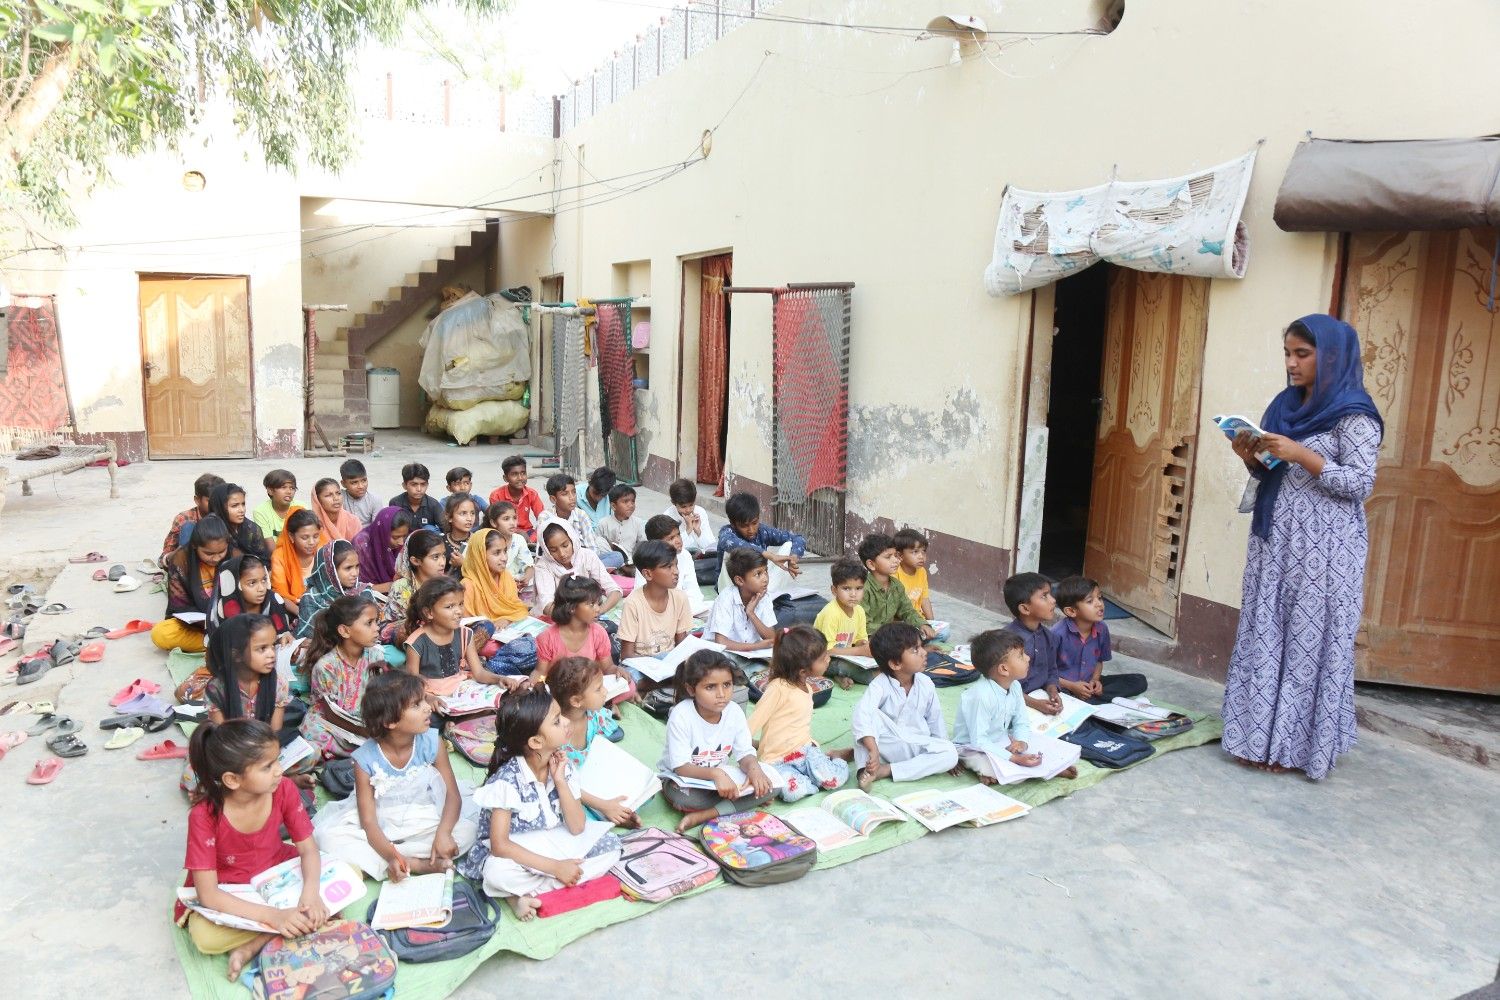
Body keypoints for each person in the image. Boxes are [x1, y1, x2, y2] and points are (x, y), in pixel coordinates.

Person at [1222, 314, 1383, 779]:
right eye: (1287, 354)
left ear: (1331, 356)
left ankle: (1294, 749)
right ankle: (1255, 740)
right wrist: (1252, 457)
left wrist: (1302, 455)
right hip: (1276, 543)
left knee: (1308, 641)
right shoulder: (1285, 405)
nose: (1291, 364)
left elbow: (1359, 483)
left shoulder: (1354, 414)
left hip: (1326, 552)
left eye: (1302, 354)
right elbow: (1274, 472)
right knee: (1268, 632)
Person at [175, 719, 326, 981]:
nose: (279, 771)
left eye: (277, 761)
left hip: (275, 870)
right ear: (232, 779)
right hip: (230, 886)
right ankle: (283, 926)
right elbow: (209, 895)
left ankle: (254, 944)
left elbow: (309, 850)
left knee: (346, 875)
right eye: (268, 766)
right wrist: (274, 916)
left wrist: (311, 894)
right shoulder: (204, 816)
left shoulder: (284, 788)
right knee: (205, 937)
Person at [457, 685, 623, 920]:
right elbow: (500, 846)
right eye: (557, 721)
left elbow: (577, 827)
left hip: (553, 843)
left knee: (612, 846)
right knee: (496, 872)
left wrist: (561, 782)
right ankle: (551, 883)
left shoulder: (561, 764)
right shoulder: (507, 781)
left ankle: (523, 893)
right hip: (519, 854)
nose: (566, 722)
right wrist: (555, 867)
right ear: (536, 742)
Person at [314, 671, 479, 880]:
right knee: (327, 838)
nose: (428, 707)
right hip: (381, 821)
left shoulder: (432, 742)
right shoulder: (365, 760)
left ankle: (387, 864)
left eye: (424, 700)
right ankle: (413, 863)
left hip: (424, 814)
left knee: (469, 831)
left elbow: (453, 796)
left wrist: (444, 834)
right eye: (416, 705)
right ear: (390, 721)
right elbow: (369, 822)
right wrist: (392, 855)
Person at [658, 649, 774, 831]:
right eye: (710, 687)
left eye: (727, 685)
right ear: (691, 689)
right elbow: (681, 767)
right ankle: (732, 804)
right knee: (687, 799)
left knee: (772, 785)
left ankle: (704, 815)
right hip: (685, 779)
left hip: (720, 780)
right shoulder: (681, 715)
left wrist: (755, 770)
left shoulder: (734, 711)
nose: (721, 694)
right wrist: (716, 775)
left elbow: (745, 753)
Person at [954, 630, 1076, 783]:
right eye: (1021, 655)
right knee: (983, 761)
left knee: (1038, 744)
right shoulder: (981, 696)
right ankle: (1043, 771)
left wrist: (1021, 742)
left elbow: (1021, 721)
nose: (1028, 658)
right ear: (1004, 669)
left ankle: (1045, 768)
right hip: (972, 746)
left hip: (1000, 738)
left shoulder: (1015, 686)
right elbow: (979, 741)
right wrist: (1013, 758)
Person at [746, 625, 851, 801]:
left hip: (806, 751)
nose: (828, 659)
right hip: (777, 760)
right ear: (803, 670)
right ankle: (808, 780)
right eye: (823, 658)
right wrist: (750, 756)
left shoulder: (807, 687)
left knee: (833, 779)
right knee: (792, 792)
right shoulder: (778, 688)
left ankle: (836, 758)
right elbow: (751, 725)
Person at [176, 555, 294, 704]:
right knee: (185, 692)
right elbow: (218, 654)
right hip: (231, 667)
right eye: (252, 583)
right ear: (234, 584)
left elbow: (282, 633)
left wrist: (285, 637)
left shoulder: (273, 600)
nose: (261, 588)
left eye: (264, 580)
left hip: (268, 661)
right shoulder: (223, 609)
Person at [852, 623, 957, 789]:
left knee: (950, 753)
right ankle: (864, 769)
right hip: (885, 746)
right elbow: (863, 716)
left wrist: (943, 751)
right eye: (915, 650)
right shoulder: (879, 685)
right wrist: (873, 749)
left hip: (915, 745)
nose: (924, 652)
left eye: (921, 647)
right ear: (895, 664)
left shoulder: (926, 684)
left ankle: (886, 770)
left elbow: (935, 722)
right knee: (863, 714)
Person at [546, 655, 640, 826]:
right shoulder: (555, 735)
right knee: (571, 815)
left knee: (637, 791)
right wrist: (603, 806)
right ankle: (612, 814)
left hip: (592, 778)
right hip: (566, 788)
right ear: (576, 701)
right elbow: (561, 783)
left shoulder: (595, 717)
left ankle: (617, 812)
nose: (605, 691)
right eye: (598, 689)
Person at [299, 595, 382, 760]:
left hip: (363, 720)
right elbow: (330, 714)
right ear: (344, 631)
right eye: (369, 623)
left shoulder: (375, 655)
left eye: (376, 622)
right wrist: (364, 731)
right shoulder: (326, 666)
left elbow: (380, 695)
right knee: (316, 740)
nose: (377, 628)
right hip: (332, 723)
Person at [403, 577, 514, 698]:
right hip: (431, 695)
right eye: (449, 607)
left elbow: (479, 673)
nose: (459, 611)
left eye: (461, 604)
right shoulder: (416, 643)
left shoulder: (465, 634)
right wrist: (428, 698)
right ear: (429, 613)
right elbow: (412, 684)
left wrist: (499, 678)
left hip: (460, 689)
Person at [533, 576, 634, 707]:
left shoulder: (598, 632)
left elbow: (607, 667)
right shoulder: (547, 637)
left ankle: (590, 705)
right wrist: (534, 685)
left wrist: (616, 670)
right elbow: (541, 673)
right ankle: (598, 706)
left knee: (630, 687)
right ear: (572, 608)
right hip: (560, 692)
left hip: (588, 688)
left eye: (598, 603)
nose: (598, 609)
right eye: (591, 604)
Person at [1050, 575, 1147, 704]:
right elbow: (1045, 672)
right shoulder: (1057, 634)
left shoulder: (1102, 629)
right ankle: (1086, 701)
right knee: (1058, 695)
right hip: (1064, 686)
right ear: (1071, 611)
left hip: (1088, 683)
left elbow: (1098, 661)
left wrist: (1095, 680)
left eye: (1099, 598)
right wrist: (1072, 686)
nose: (1099, 604)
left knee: (1139, 681)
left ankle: (1089, 699)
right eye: (1090, 601)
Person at [152, 514, 231, 653]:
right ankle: (220, 643)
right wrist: (206, 620)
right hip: (198, 625)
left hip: (229, 620)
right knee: (161, 633)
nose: (216, 558)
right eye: (209, 553)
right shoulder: (181, 559)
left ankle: (222, 641)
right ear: (194, 546)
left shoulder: (234, 555)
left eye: (221, 552)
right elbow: (179, 604)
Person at [617, 540, 693, 677]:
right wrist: (655, 666)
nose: (676, 571)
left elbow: (681, 645)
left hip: (669, 660)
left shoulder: (680, 598)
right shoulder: (633, 603)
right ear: (648, 574)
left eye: (676, 565)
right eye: (668, 567)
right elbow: (626, 655)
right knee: (629, 677)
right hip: (641, 664)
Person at [1002, 572, 1063, 717]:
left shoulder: (1049, 637)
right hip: (1013, 703)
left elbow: (1051, 671)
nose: (1053, 600)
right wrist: (1035, 704)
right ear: (1025, 609)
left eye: (1050, 594)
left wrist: (1053, 692)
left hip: (1040, 697)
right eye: (1044, 596)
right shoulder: (1007, 641)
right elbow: (1003, 685)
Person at [533, 522, 622, 619]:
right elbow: (547, 605)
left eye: (565, 545)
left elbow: (615, 590)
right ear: (546, 550)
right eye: (553, 550)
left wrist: (598, 612)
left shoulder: (587, 556)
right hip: (560, 617)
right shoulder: (543, 566)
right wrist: (575, 620)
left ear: (572, 539)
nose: (562, 554)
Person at [293, 539, 372, 645]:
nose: (355, 573)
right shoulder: (311, 599)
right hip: (324, 649)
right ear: (330, 571)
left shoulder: (363, 592)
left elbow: (374, 628)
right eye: (348, 568)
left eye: (357, 566)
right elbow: (308, 640)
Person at [858, 533, 934, 639]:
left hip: (890, 635)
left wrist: (923, 624)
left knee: (933, 635)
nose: (896, 560)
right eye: (888, 557)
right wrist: (894, 633)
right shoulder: (862, 589)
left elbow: (907, 611)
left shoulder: (897, 585)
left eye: (895, 555)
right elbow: (864, 624)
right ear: (871, 564)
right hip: (869, 637)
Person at [379, 530, 447, 648]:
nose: (442, 562)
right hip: (408, 633)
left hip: (439, 631)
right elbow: (396, 625)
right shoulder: (401, 586)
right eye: (435, 557)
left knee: (480, 627)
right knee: (405, 633)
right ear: (415, 561)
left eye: (443, 555)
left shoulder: (445, 584)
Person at [540, 472, 621, 569]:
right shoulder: (546, 517)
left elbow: (592, 548)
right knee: (543, 566)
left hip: (582, 561)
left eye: (574, 492)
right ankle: (591, 571)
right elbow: (546, 551)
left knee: (617, 557)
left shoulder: (581, 515)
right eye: (565, 494)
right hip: (557, 562)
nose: (572, 497)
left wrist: (585, 562)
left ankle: (586, 571)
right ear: (553, 499)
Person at [704, 548, 777, 654]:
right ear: (739, 580)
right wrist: (756, 646)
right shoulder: (726, 598)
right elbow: (721, 642)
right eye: (758, 574)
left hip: (748, 653)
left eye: (766, 571)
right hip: (719, 653)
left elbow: (771, 638)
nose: (765, 578)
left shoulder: (764, 597)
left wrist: (751, 613)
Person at [715, 491, 803, 577]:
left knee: (789, 544)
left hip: (759, 581)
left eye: (754, 523)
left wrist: (793, 558)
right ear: (733, 524)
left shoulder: (763, 531)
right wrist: (769, 555)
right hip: (731, 584)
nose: (751, 530)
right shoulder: (727, 533)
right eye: (744, 526)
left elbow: (798, 538)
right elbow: (728, 542)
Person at [815, 557, 872, 687]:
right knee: (844, 666)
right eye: (846, 589)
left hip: (845, 655)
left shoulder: (859, 611)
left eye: (859, 588)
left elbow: (859, 640)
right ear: (834, 590)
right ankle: (871, 677)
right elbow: (827, 650)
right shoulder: (831, 613)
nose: (853, 594)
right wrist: (860, 651)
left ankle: (840, 676)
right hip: (822, 659)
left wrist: (866, 646)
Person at [459, 528, 529, 626]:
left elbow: (517, 607)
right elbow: (466, 623)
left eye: (505, 551)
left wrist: (507, 620)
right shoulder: (468, 585)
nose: (504, 558)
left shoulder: (506, 577)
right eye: (497, 553)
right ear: (480, 555)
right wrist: (492, 625)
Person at [269, 508, 327, 616]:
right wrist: (304, 615)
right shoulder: (280, 557)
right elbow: (281, 594)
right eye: (305, 538)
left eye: (316, 536)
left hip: (324, 605)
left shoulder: (323, 551)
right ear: (291, 536)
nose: (311, 542)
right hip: (294, 609)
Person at [161, 472, 224, 568]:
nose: (216, 504)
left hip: (219, 563)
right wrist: (181, 551)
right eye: (210, 500)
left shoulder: (226, 515)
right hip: (190, 565)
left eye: (220, 500)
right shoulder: (184, 518)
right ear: (197, 500)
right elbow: (165, 556)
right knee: (188, 527)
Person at [893, 528, 946, 641]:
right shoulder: (895, 573)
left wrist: (932, 623)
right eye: (915, 552)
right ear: (900, 555)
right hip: (902, 620)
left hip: (918, 619)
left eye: (923, 551)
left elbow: (924, 600)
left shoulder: (922, 572)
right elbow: (896, 609)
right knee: (913, 638)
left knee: (944, 633)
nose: (921, 556)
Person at [665, 477, 717, 583]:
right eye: (683, 507)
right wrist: (688, 530)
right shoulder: (667, 517)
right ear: (674, 503)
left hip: (700, 559)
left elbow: (711, 546)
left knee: (720, 560)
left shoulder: (700, 512)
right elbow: (672, 550)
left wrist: (698, 531)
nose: (688, 510)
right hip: (679, 560)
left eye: (691, 505)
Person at [483, 500, 535, 604]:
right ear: (493, 523)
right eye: (506, 519)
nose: (512, 523)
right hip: (496, 584)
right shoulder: (486, 540)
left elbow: (529, 564)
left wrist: (526, 578)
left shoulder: (519, 539)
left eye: (514, 518)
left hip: (519, 583)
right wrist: (508, 582)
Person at [353, 506, 414, 593]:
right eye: (395, 537)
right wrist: (387, 586)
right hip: (367, 597)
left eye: (404, 536)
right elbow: (353, 586)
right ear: (383, 532)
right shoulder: (362, 544)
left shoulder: (404, 544)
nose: (401, 542)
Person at [206, 482, 268, 563]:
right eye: (234, 506)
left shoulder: (252, 529)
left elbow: (263, 560)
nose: (242, 510)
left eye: (243, 504)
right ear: (220, 507)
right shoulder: (210, 530)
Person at [488, 455, 544, 542]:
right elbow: (497, 524)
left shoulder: (532, 494)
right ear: (505, 478)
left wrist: (533, 538)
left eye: (523, 473)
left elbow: (543, 519)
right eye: (514, 474)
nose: (520, 478)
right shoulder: (496, 496)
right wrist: (518, 534)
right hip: (504, 533)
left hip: (527, 533)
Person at [595, 484, 645, 568]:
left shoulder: (638, 522)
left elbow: (642, 544)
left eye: (633, 501)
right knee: (599, 540)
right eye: (625, 502)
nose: (631, 505)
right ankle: (620, 566)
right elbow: (598, 546)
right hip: (613, 558)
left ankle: (624, 567)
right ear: (613, 506)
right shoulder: (604, 523)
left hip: (631, 561)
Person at [389, 462, 444, 532]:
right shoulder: (396, 503)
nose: (419, 489)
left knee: (429, 528)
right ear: (404, 485)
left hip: (426, 538)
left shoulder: (434, 505)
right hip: (404, 538)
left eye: (423, 484)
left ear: (427, 485)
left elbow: (445, 529)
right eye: (414, 484)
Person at [251, 469, 298, 541]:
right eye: (283, 487)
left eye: (292, 488)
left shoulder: (300, 508)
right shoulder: (260, 512)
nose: (289, 492)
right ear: (270, 491)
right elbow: (269, 544)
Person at [310, 477, 361, 542]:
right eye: (328, 495)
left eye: (338, 493)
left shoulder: (353, 521)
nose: (336, 498)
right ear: (317, 500)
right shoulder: (311, 525)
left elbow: (360, 546)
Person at [340, 458, 380, 527]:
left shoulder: (374, 500)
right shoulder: (339, 498)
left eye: (364, 480)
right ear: (343, 484)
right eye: (354, 482)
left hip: (367, 533)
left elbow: (377, 527)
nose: (361, 486)